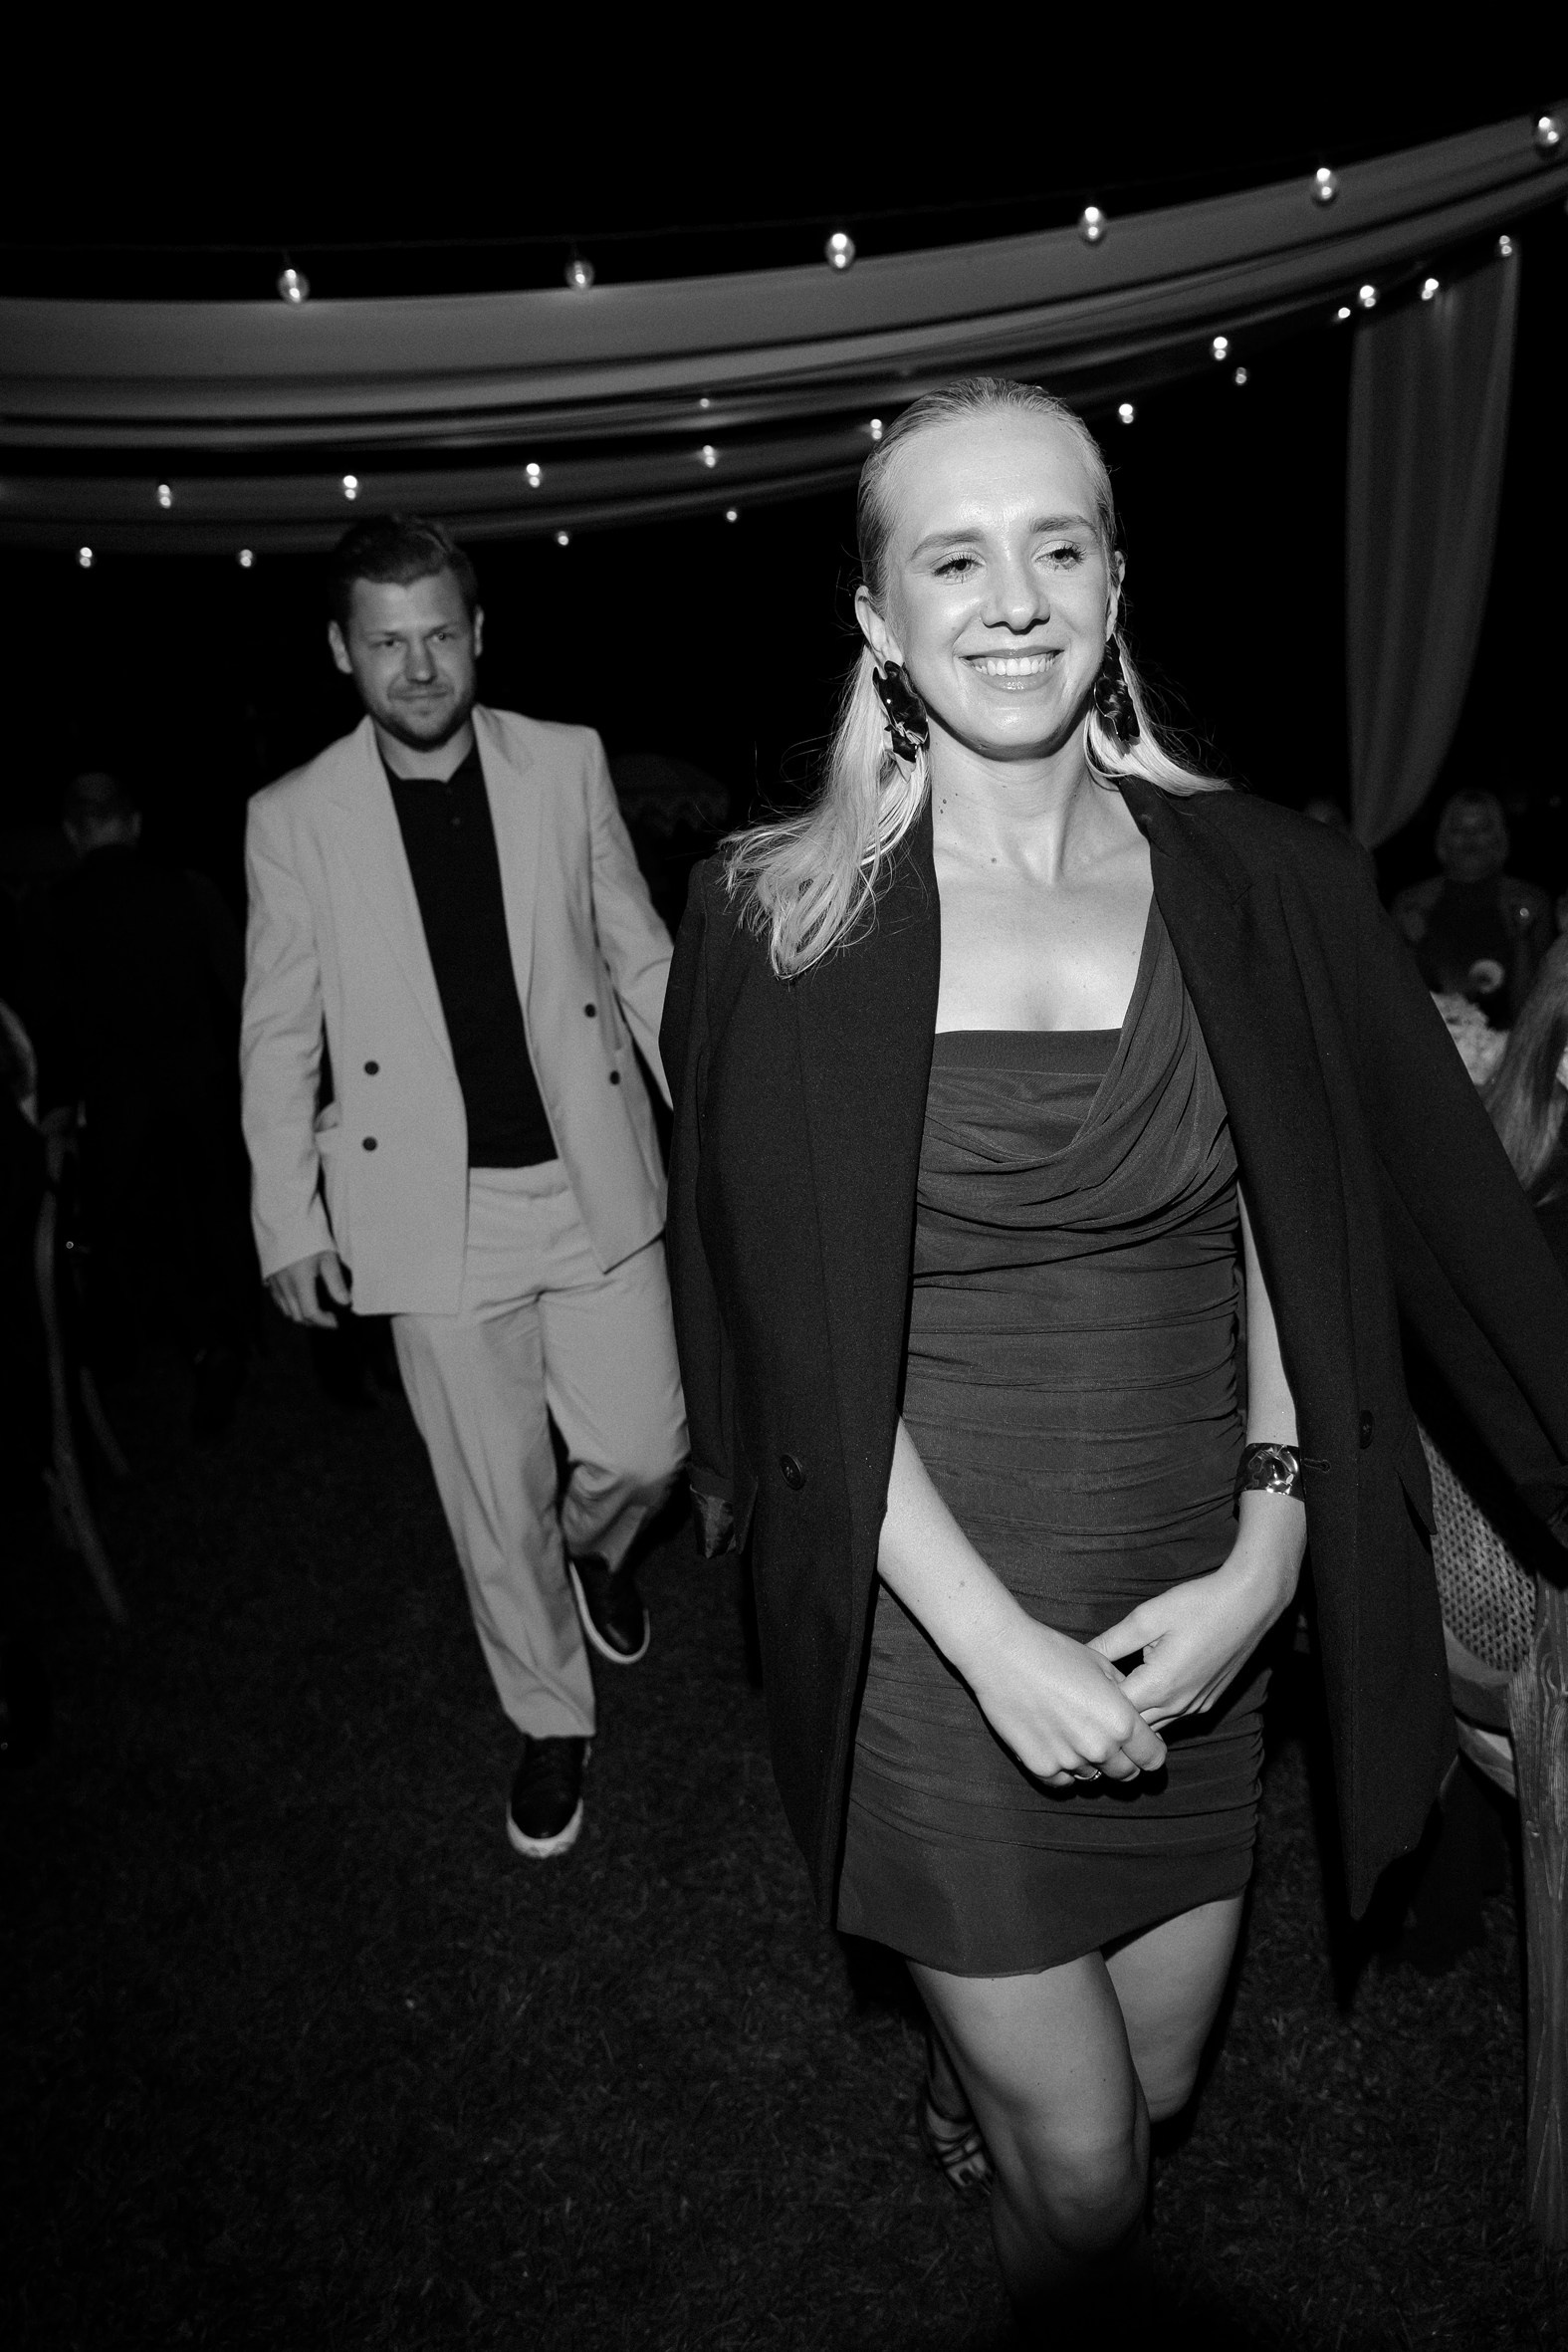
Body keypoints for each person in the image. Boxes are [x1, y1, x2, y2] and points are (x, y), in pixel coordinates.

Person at [659, 378, 1568, 2333]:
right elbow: (791, 1343)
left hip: (1190, 1579)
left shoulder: (1265, 884)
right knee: (1083, 2174)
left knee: (1147, 2089)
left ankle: (969, 2075)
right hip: (931, 1607)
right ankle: (1004, 2115)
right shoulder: (777, 916)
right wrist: (993, 1646)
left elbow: (1302, 1230)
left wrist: (1267, 1546)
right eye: (951, 557)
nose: (1011, 597)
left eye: (1055, 545)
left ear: (1114, 582)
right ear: (878, 617)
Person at [242, 516, 686, 1859]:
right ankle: (550, 1714)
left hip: (590, 1170)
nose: (419, 666)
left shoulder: (565, 761)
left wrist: (722, 1115)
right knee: (494, 1499)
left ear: (478, 632)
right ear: (342, 651)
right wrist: (287, 1216)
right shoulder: (291, 816)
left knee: (646, 1450)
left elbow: (640, 952)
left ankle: (596, 1549)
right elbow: (278, 1030)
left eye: (440, 634)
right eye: (388, 642)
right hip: (426, 1210)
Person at [34, 771, 253, 1438]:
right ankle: (237, 1334)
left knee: (147, 1228)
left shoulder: (52, 909)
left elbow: (50, 1021)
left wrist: (58, 1105)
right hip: (201, 1086)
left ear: (73, 834)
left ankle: (201, 1344)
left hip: (118, 1102)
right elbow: (241, 986)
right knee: (217, 1208)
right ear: (134, 824)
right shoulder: (188, 888)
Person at [1392, 788, 1549, 1026]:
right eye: (1458, 830)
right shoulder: (1411, 903)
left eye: (1482, 829)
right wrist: (1411, 944)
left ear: (1499, 837)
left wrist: (1522, 938)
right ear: (1443, 838)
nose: (1470, 839)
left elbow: (1535, 1010)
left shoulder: (1529, 901)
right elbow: (1395, 1003)